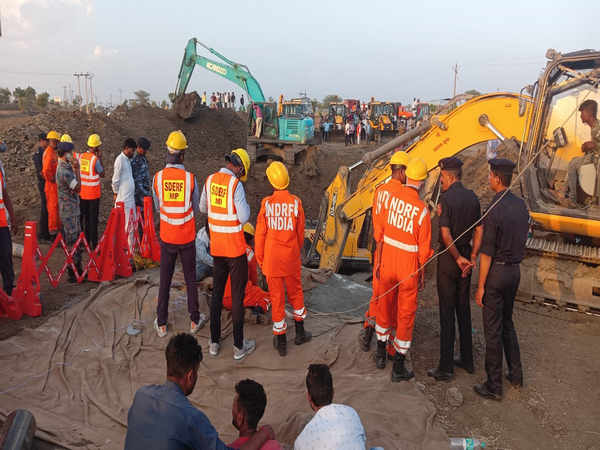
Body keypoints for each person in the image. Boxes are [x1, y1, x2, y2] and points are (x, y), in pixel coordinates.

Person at [125, 333, 275, 450]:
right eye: (197, 372)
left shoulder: (141, 395)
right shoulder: (191, 418)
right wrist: (265, 432)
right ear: (191, 375)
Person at [374, 158, 433, 382]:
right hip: (408, 271)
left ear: (407, 177)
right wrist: (422, 275)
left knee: (384, 307)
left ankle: (380, 353)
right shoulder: (422, 212)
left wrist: (379, 261)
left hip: (388, 264)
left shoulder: (390, 201)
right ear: (423, 182)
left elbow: (382, 233)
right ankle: (397, 366)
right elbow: (424, 253)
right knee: (405, 315)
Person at [474, 158, 528, 400]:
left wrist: (481, 286)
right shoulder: (521, 206)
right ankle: (516, 375)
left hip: (496, 272)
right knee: (508, 323)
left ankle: (494, 386)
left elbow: (486, 253)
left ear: (497, 179)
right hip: (515, 271)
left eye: (489, 175)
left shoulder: (493, 209)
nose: (488, 179)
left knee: (492, 330)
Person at [427, 157, 482, 382]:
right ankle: (468, 361)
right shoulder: (473, 198)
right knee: (464, 310)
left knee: (447, 313)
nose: (440, 180)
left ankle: (446, 367)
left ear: (449, 176)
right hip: (465, 261)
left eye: (441, 177)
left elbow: (445, 234)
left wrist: (458, 258)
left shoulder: (446, 199)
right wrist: (471, 256)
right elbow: (480, 230)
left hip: (450, 262)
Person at [200, 148, 255, 361]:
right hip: (235, 249)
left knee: (216, 295)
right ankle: (239, 347)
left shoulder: (210, 180)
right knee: (238, 297)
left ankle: (214, 343)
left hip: (217, 250)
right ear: (240, 168)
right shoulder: (235, 185)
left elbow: (203, 208)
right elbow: (243, 218)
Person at [152, 131, 206, 338]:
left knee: (164, 279)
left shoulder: (157, 178)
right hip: (187, 238)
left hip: (167, 238)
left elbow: (158, 207)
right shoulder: (190, 179)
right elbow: (196, 206)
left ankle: (162, 324)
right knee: (190, 278)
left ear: (168, 151)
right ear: (182, 155)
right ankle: (194, 320)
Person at [255, 162, 311, 357]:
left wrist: (261, 260)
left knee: (277, 300)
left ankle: (281, 342)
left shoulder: (267, 204)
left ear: (271, 182)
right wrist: (295, 250)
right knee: (296, 295)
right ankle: (300, 333)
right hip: (291, 259)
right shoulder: (296, 203)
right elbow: (300, 233)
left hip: (272, 261)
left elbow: (260, 235)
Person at [359, 152, 411, 362]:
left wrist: (378, 259)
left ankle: (368, 332)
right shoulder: (403, 196)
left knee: (378, 295)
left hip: (379, 250)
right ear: (401, 171)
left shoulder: (380, 190)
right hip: (394, 253)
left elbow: (377, 226)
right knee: (393, 301)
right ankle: (388, 347)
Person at [294, 364, 366, 450]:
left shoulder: (301, 442)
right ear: (333, 393)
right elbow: (362, 441)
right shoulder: (350, 412)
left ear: (309, 397)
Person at [223, 223, 272, 326]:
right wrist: (256, 290)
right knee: (269, 296)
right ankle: (257, 311)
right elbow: (253, 278)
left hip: (223, 298)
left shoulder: (227, 247)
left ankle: (247, 308)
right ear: (251, 239)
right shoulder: (250, 253)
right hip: (239, 296)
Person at [560, 100, 600, 208]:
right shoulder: (594, 128)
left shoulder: (598, 128)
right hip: (595, 158)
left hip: (598, 161)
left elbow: (596, 146)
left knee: (573, 164)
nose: (581, 116)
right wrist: (588, 149)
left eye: (582, 113)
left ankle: (572, 198)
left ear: (588, 113)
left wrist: (595, 145)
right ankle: (563, 190)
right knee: (573, 161)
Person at [56, 141, 84, 283]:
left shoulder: (66, 167)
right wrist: (77, 169)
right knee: (73, 239)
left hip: (71, 208)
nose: (73, 155)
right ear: (66, 154)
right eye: (71, 152)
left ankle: (76, 267)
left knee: (76, 238)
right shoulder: (64, 171)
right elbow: (78, 187)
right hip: (69, 210)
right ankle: (73, 271)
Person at [230, 379, 281, 449]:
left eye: (233, 406)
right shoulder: (275, 446)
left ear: (240, 418)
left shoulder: (229, 448)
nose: (232, 409)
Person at [80, 134, 105, 249]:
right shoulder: (95, 160)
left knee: (86, 220)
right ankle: (94, 245)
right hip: (93, 195)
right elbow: (102, 174)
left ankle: (86, 243)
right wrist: (100, 158)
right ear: (96, 148)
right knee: (93, 221)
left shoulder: (81, 157)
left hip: (83, 194)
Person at [112, 138, 137, 252]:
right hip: (123, 200)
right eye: (132, 150)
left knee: (132, 224)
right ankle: (127, 252)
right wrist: (116, 193)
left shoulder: (127, 160)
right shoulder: (120, 160)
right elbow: (115, 180)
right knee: (127, 226)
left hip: (129, 199)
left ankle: (130, 250)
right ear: (127, 149)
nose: (133, 153)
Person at [0, 160, 18, 296]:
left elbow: (4, 193)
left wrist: (12, 217)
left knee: (6, 256)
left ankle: (9, 291)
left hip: (2, 224)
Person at [42, 131, 62, 239]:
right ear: (54, 142)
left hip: (53, 186)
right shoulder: (49, 154)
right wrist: (51, 179)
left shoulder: (51, 152)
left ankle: (57, 231)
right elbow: (46, 171)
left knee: (56, 208)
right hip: (51, 186)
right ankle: (53, 233)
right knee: (53, 209)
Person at [131, 137, 151, 238]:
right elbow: (137, 183)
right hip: (140, 198)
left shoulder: (142, 158)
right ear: (139, 148)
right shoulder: (136, 161)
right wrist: (145, 196)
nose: (146, 151)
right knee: (141, 222)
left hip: (145, 195)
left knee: (146, 222)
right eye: (145, 149)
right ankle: (142, 244)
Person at [33, 133, 51, 243]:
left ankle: (47, 232)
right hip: (44, 183)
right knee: (45, 208)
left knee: (49, 207)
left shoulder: (45, 152)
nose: (48, 142)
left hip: (47, 182)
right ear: (41, 141)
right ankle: (42, 235)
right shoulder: (38, 154)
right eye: (46, 140)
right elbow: (41, 172)